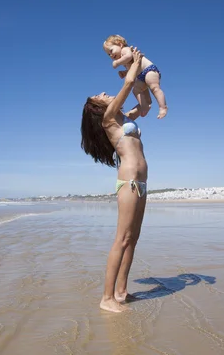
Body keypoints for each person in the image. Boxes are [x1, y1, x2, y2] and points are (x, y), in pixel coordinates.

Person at [81, 47, 148, 312]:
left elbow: (143, 107)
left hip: (141, 181)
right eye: (101, 95)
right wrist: (137, 61)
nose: (106, 94)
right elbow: (128, 82)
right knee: (122, 238)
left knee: (133, 238)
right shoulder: (109, 119)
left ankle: (121, 291)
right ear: (98, 107)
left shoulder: (124, 117)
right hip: (129, 181)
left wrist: (144, 80)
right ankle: (106, 298)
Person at [103, 35, 168, 119]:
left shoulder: (125, 50)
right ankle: (144, 106)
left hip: (149, 70)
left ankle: (163, 107)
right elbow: (133, 68)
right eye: (109, 54)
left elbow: (129, 56)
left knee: (154, 88)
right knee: (136, 90)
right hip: (140, 76)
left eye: (111, 51)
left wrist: (117, 62)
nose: (111, 55)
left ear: (120, 45)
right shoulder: (124, 61)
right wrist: (125, 73)